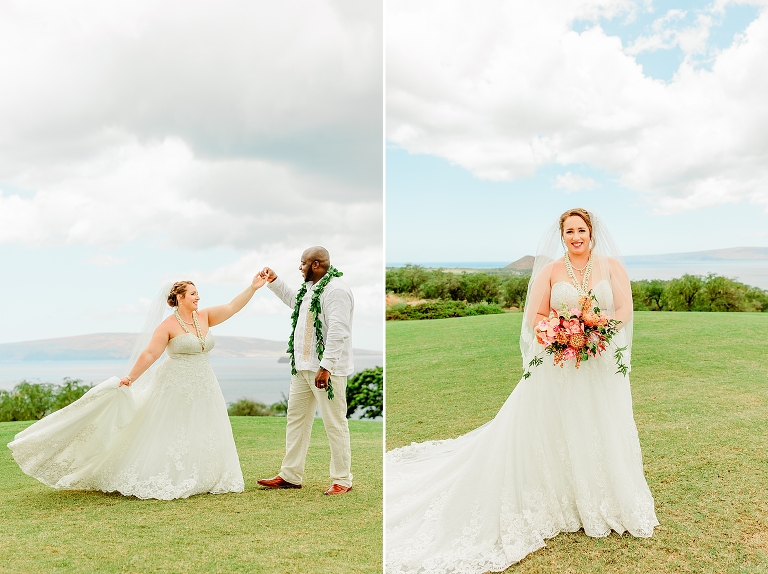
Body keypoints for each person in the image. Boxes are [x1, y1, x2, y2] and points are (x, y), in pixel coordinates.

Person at [385, 209, 658, 573]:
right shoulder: (551, 271)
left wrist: (599, 331)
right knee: (556, 426)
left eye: (581, 230)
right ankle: (561, 497)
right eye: (569, 231)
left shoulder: (611, 267)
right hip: (559, 362)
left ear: (591, 232)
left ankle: (602, 496)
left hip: (601, 360)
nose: (576, 237)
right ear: (562, 236)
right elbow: (536, 315)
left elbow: (625, 307)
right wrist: (562, 334)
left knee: (599, 422)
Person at [8, 276, 266, 500]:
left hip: (205, 382)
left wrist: (253, 287)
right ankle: (166, 474)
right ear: (178, 297)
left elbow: (233, 307)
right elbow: (151, 352)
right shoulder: (167, 326)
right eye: (193, 293)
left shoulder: (205, 316)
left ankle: (205, 476)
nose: (198, 297)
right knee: (170, 428)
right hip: (175, 383)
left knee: (205, 426)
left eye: (198, 293)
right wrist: (130, 377)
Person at [256, 246, 355, 495]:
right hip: (302, 366)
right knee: (296, 421)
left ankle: (342, 479)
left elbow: (338, 330)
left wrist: (326, 367)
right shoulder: (310, 289)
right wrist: (275, 282)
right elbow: (295, 302)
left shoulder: (337, 290)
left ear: (316, 264)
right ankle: (290, 475)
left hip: (326, 370)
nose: (299, 268)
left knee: (335, 423)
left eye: (302, 263)